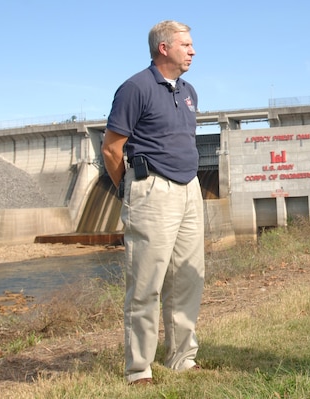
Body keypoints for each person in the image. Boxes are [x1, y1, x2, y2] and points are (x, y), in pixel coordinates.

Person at [101, 20, 205, 385]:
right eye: (186, 45)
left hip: (190, 190)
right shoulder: (135, 88)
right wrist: (128, 190)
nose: (193, 50)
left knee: (188, 279)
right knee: (146, 282)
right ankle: (138, 368)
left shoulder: (190, 91)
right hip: (152, 189)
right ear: (164, 48)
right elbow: (112, 147)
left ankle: (182, 357)